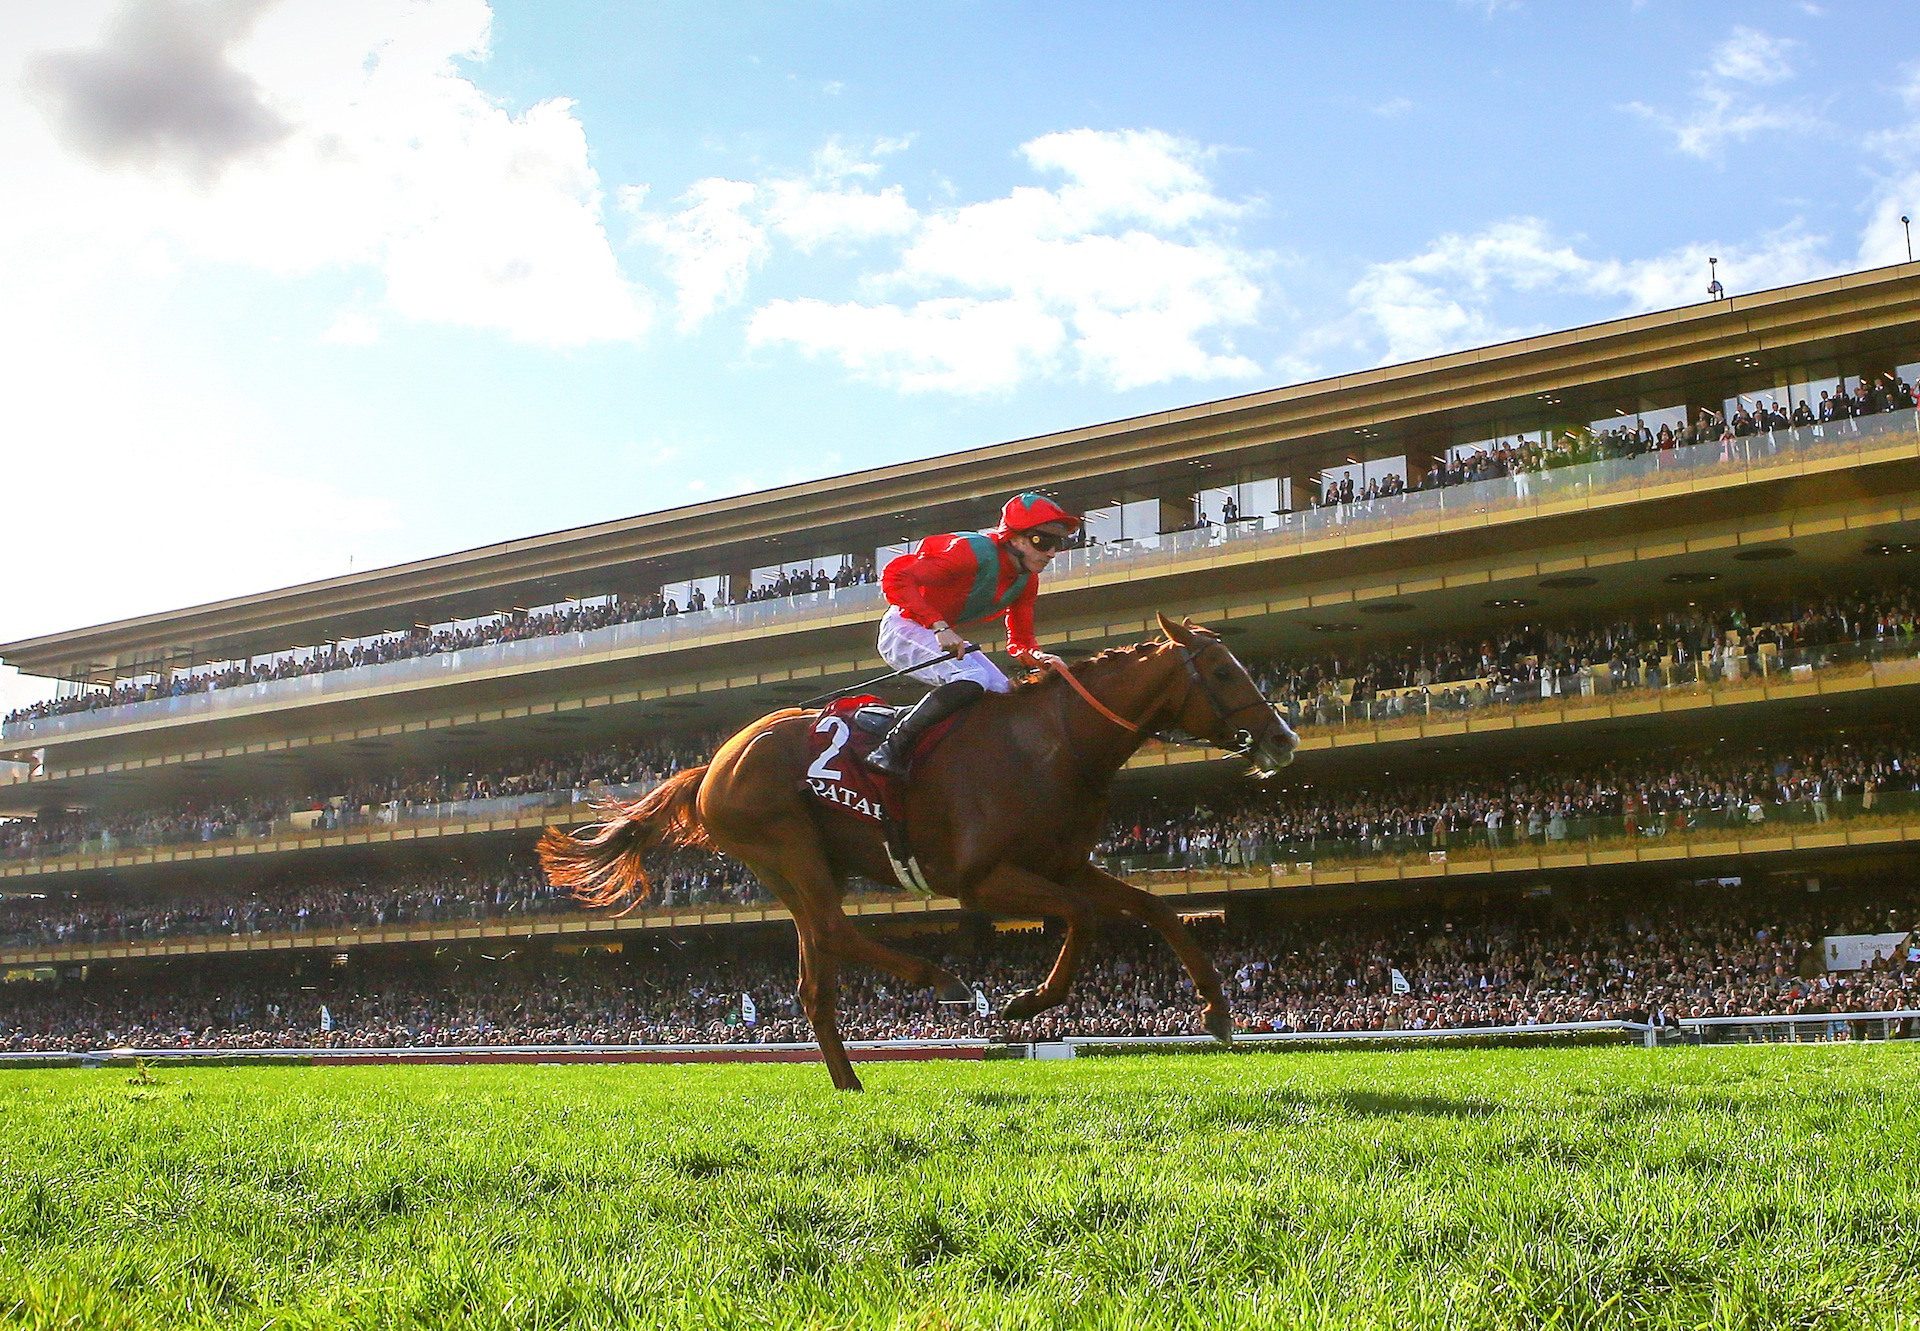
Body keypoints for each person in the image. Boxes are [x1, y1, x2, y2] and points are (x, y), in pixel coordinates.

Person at [861, 492, 1082, 779]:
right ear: (1013, 539)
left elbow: (1021, 642)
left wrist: (1040, 658)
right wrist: (939, 626)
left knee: (1004, 694)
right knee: (971, 678)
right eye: (1043, 541)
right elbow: (896, 576)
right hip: (903, 626)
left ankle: (910, 721)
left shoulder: (1027, 581)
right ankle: (890, 749)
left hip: (934, 630)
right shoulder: (970, 551)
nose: (1052, 553)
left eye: (1058, 544)